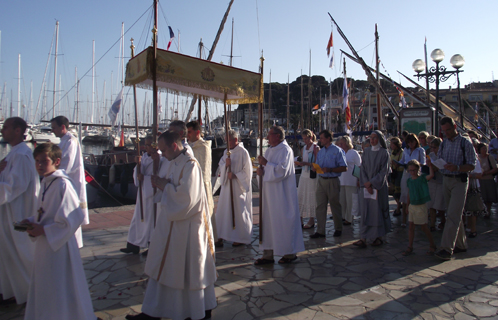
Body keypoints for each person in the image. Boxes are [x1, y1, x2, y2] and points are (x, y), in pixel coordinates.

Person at [126, 130, 217, 320]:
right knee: (165, 268)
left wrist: (163, 186)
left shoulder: (190, 166)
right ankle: (153, 311)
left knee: (185, 272)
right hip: (172, 227)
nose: (163, 155)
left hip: (187, 229)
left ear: (174, 146)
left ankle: (193, 310)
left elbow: (186, 200)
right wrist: (163, 184)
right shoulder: (174, 162)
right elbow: (171, 188)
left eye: (164, 151)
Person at [23, 143, 96, 320]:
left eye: (44, 161)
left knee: (60, 285)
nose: (39, 165)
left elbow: (74, 217)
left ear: (57, 161)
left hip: (59, 246)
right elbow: (46, 213)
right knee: (46, 284)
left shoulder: (63, 184)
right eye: (37, 161)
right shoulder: (47, 182)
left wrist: (45, 230)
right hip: (45, 244)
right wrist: (31, 221)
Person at [0, 117, 39, 305]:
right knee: (8, 253)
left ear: (17, 131)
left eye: (6, 127)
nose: (2, 130)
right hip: (8, 213)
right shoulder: (13, 153)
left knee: (22, 253)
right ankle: (11, 290)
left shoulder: (22, 155)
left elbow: (15, 186)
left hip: (18, 213)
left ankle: (28, 291)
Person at [255, 126, 304, 264]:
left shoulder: (286, 150)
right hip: (269, 194)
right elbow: (267, 169)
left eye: (269, 134)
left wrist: (266, 164)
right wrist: (261, 172)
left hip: (282, 194)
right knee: (268, 223)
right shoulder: (270, 150)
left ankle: (289, 253)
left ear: (277, 136)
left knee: (283, 222)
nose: (267, 137)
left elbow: (282, 171)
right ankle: (267, 254)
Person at [434, 117, 477, 261]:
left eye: (448, 130)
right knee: (454, 213)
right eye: (444, 131)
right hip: (446, 178)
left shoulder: (465, 143)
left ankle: (446, 248)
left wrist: (457, 167)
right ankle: (461, 244)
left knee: (452, 214)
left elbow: (471, 165)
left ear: (454, 127)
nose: (446, 133)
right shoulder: (444, 143)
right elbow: (440, 158)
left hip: (459, 180)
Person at [120, 136, 162, 255]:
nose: (146, 147)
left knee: (150, 220)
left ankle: (151, 245)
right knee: (138, 218)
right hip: (143, 192)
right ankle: (133, 244)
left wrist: (145, 178)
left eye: (149, 145)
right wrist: (138, 168)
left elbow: (160, 174)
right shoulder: (144, 156)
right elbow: (138, 173)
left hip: (151, 192)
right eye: (146, 145)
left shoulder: (160, 157)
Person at [51, 115, 89, 247]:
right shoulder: (63, 141)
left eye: (54, 128)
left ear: (62, 127)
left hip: (69, 183)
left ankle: (74, 244)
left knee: (71, 213)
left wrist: (51, 172)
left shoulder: (70, 142)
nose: (52, 131)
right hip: (64, 181)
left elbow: (66, 164)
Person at [215, 129, 253, 246]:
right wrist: (225, 166)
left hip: (237, 187)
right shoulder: (227, 151)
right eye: (226, 141)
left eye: (228, 141)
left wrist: (236, 175)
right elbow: (221, 164)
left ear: (235, 140)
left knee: (238, 209)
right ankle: (222, 234)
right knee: (224, 209)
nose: (227, 144)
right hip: (227, 186)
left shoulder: (243, 152)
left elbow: (248, 171)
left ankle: (241, 237)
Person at [354, 130, 391, 248]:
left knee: (377, 212)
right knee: (365, 212)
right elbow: (363, 169)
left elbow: (383, 172)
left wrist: (371, 183)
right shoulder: (366, 152)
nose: (373, 140)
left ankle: (378, 237)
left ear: (379, 139)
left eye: (375, 138)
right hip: (366, 187)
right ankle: (363, 237)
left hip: (378, 188)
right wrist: (366, 183)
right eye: (371, 138)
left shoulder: (384, 153)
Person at [310, 130, 347, 239]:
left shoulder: (338, 151)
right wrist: (315, 167)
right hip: (321, 180)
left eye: (321, 138)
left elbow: (344, 167)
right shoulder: (320, 152)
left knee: (335, 205)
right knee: (320, 206)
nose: (320, 140)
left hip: (333, 180)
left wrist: (330, 169)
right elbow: (318, 165)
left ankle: (338, 228)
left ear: (328, 138)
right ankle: (320, 230)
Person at [186, 121, 218, 247]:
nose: (187, 135)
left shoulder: (203, 147)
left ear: (197, 132)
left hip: (202, 184)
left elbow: (203, 168)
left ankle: (209, 238)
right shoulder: (189, 146)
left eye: (189, 132)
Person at [401, 159, 437, 256]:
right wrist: (407, 205)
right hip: (412, 205)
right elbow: (409, 193)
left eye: (414, 170)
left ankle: (432, 244)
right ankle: (410, 246)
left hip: (421, 205)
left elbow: (431, 176)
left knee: (424, 227)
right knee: (411, 226)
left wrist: (430, 166)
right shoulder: (409, 180)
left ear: (418, 169)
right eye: (410, 170)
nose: (412, 172)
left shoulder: (422, 178)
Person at [399, 133, 426, 227]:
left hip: (416, 174)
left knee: (414, 197)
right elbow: (402, 160)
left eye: (412, 142)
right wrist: (398, 163)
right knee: (405, 196)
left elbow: (423, 163)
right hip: (406, 173)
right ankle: (404, 220)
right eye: (409, 142)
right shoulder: (405, 150)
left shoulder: (420, 150)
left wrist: (415, 165)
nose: (410, 144)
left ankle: (416, 220)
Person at [297, 129, 319, 229]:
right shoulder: (304, 148)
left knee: (311, 197)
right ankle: (300, 218)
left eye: (306, 138)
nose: (305, 141)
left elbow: (318, 163)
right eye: (303, 139)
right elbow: (303, 158)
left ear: (310, 137)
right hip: (303, 174)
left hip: (312, 175)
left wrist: (308, 164)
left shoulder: (316, 148)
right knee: (300, 196)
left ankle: (311, 219)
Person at [336, 135, 361, 225]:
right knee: (342, 201)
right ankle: (343, 216)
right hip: (341, 180)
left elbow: (359, 166)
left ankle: (349, 218)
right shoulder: (340, 153)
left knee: (350, 201)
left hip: (351, 180)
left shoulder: (353, 153)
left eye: (342, 143)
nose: (341, 145)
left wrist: (358, 179)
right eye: (340, 143)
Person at [427, 138, 446, 231]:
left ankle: (443, 220)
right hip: (432, 181)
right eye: (431, 147)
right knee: (431, 204)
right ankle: (432, 224)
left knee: (440, 204)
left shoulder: (444, 155)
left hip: (441, 181)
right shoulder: (430, 155)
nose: (433, 149)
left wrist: (436, 166)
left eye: (435, 147)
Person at [477, 142, 497, 219]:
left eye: (486, 148)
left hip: (489, 179)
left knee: (489, 196)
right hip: (480, 179)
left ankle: (488, 210)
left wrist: (486, 173)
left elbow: (495, 168)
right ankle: (482, 210)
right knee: (482, 196)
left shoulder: (490, 157)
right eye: (483, 148)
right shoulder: (478, 157)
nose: (485, 150)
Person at [389, 137, 404, 216]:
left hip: (399, 172)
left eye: (392, 144)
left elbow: (403, 163)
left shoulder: (401, 153)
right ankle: (398, 203)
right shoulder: (393, 152)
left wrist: (397, 164)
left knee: (398, 191)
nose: (391, 145)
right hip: (393, 172)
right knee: (393, 191)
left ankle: (398, 207)